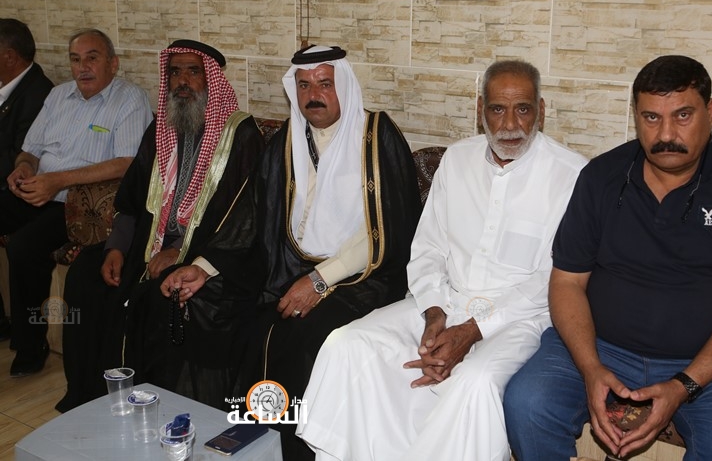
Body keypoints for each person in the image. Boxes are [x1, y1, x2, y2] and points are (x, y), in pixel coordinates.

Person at [296, 60, 588, 461]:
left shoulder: (572, 174)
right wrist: (434, 312)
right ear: (480, 109)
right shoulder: (457, 159)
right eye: (497, 109)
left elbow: (550, 280)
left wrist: (471, 330)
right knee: (348, 344)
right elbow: (428, 247)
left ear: (541, 110)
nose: (510, 124)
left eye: (522, 109)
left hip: (518, 320)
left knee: (475, 382)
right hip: (444, 300)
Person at [503, 55, 712, 461]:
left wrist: (683, 385)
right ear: (635, 115)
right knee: (527, 403)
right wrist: (591, 367)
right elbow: (567, 282)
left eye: (683, 115)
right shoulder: (601, 176)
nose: (666, 134)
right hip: (600, 346)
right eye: (651, 117)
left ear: (710, 111)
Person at [161, 45, 422, 459]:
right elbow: (251, 212)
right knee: (214, 304)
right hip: (287, 267)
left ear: (343, 86)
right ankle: (230, 437)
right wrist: (204, 267)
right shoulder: (287, 139)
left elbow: (387, 227)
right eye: (303, 85)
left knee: (296, 335)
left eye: (324, 84)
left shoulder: (377, 136)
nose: (313, 95)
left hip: (362, 275)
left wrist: (319, 280)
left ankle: (293, 449)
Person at [57, 39, 265, 412]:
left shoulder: (240, 135)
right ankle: (90, 398)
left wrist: (180, 251)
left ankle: (152, 404)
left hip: (209, 254)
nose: (182, 81)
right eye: (175, 72)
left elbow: (244, 217)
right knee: (85, 275)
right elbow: (132, 199)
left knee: (155, 297)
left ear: (211, 79)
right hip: (146, 245)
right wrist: (116, 247)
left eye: (193, 71)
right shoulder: (161, 128)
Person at [0, 28, 152, 377]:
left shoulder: (129, 99)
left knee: (24, 247)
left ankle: (30, 344)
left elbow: (127, 163)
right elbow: (30, 150)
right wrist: (24, 168)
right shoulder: (58, 95)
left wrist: (57, 181)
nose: (83, 67)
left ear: (113, 63)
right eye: (75, 59)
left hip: (77, 204)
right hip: (39, 188)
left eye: (92, 58)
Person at [0, 18, 54, 341]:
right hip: (17, 185)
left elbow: (20, 155)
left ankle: (27, 340)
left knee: (23, 247)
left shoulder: (39, 93)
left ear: (9, 57)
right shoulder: (8, 86)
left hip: (34, 192)